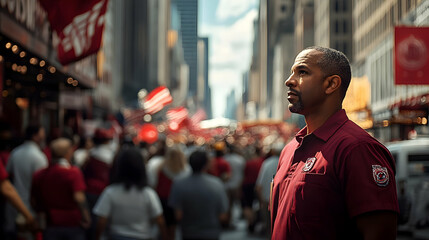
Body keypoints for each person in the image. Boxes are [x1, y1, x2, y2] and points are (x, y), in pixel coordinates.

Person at [270, 46, 399, 239]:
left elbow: (379, 233)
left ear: (331, 84)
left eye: (302, 72)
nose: (289, 81)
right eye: (291, 73)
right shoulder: (289, 150)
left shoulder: (358, 148)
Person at [93, 146, 167, 240]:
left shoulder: (110, 192)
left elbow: (101, 220)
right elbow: (160, 220)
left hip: (116, 236)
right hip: (143, 236)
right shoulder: (148, 194)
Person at [31, 138, 90, 240]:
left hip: (50, 223)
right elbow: (79, 198)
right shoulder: (74, 173)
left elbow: (34, 200)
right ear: (68, 153)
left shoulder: (39, 175)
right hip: (72, 223)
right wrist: (86, 217)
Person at [169, 150, 228, 240]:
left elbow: (178, 215)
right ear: (206, 164)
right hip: (211, 233)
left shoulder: (178, 184)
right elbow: (222, 216)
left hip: (188, 233)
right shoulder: (216, 184)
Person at [5, 124, 48, 238]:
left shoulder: (15, 152)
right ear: (35, 136)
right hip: (30, 207)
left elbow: (7, 174)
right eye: (41, 134)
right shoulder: (39, 157)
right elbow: (42, 186)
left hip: (13, 205)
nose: (43, 137)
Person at [154, 145, 191, 240]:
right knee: (174, 226)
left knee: (165, 225)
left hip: (163, 200)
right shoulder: (185, 170)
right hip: (178, 202)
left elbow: (155, 184)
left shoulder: (160, 167)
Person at [0, 160, 36, 239]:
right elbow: (6, 188)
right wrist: (29, 217)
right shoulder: (40, 157)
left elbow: (7, 171)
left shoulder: (15, 153)